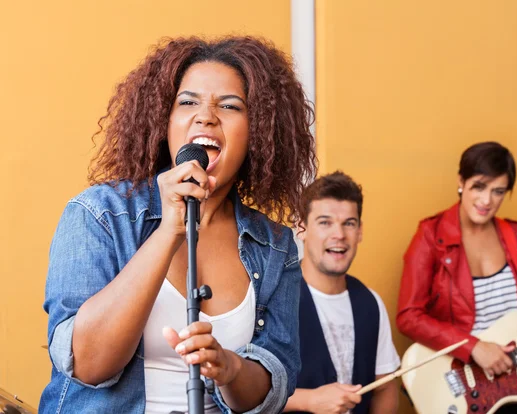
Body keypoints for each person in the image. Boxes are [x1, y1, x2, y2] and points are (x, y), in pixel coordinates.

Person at [39, 36, 317, 414]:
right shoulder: (98, 215)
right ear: (163, 121)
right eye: (187, 102)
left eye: (231, 106)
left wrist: (230, 369)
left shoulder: (275, 247)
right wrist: (169, 231)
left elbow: (274, 388)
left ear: (259, 132)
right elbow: (87, 365)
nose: (206, 116)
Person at [396, 141, 517, 413]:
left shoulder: (516, 237)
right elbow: (409, 316)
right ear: (461, 181)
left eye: (498, 191)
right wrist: (473, 347)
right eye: (479, 186)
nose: (487, 201)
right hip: (462, 384)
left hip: (516, 379)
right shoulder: (431, 236)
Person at [284, 171, 400, 414]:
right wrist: (309, 400)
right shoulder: (274, 297)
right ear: (301, 228)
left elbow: (385, 387)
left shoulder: (370, 303)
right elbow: (243, 394)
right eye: (325, 222)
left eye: (349, 223)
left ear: (359, 232)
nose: (339, 234)